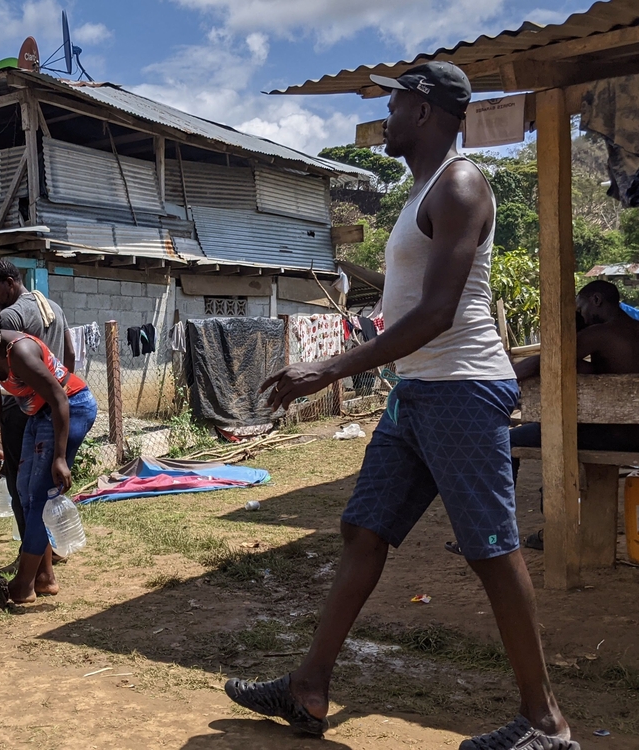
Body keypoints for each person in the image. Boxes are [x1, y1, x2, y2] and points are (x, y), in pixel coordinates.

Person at [225, 63, 578, 750]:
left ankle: (547, 724)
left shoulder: (461, 184)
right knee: (364, 530)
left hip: (461, 388)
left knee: (491, 550)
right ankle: (308, 688)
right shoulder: (423, 190)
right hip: (416, 392)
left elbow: (440, 311)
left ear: (422, 110)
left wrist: (329, 366)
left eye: (393, 106)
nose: (384, 119)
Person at [0, 300, 96, 604]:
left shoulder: (20, 351)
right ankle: (43, 578)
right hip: (37, 414)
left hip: (71, 407)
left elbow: (59, 398)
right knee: (23, 491)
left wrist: (59, 457)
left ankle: (24, 583)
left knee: (40, 495)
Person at [508, 280, 639, 550]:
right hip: (630, 433)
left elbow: (547, 360)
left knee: (508, 442)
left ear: (596, 300)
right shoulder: (632, 329)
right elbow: (596, 371)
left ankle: (497, 528)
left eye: (581, 309)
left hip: (613, 435)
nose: (581, 316)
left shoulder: (601, 333)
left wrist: (502, 377)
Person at [0, 259, 74, 556]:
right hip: (53, 405)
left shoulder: (9, 316)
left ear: (10, 282)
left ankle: (32, 554)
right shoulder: (53, 307)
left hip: (21, 408)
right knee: (44, 482)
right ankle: (49, 549)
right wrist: (60, 390)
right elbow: (69, 354)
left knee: (22, 485)